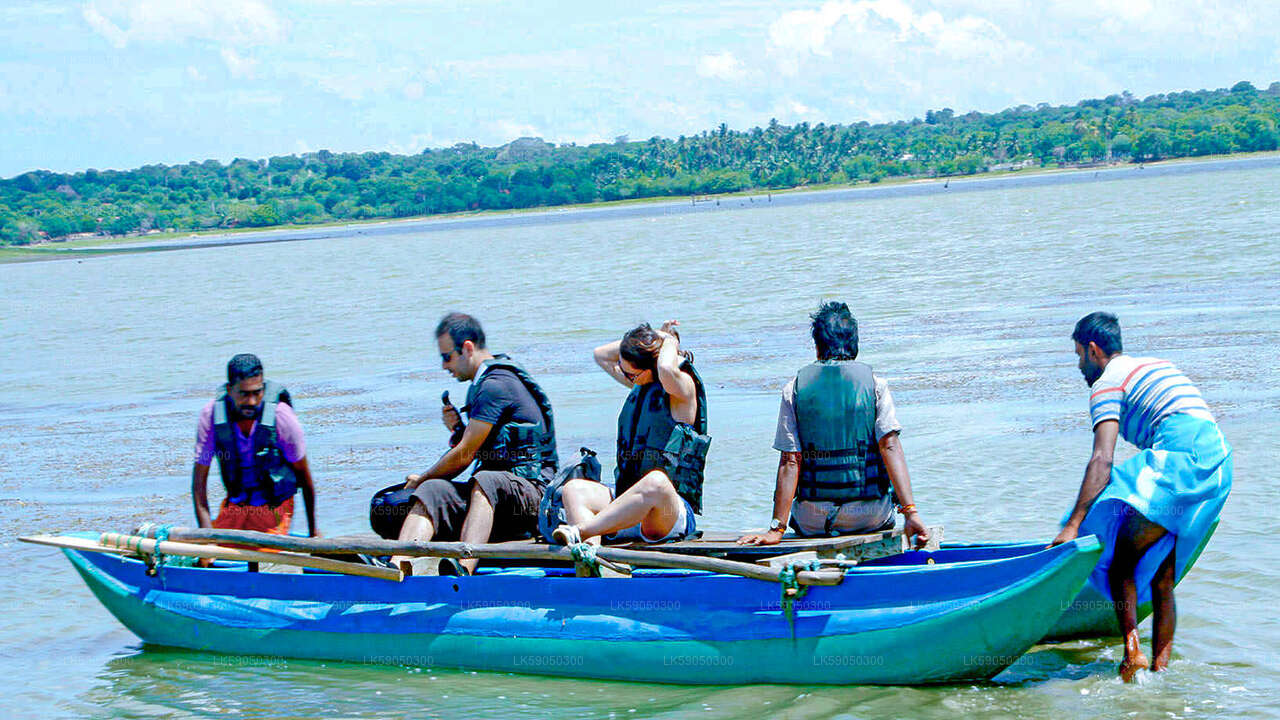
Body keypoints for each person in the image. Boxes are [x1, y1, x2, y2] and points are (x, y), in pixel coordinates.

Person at [1051, 312, 1231, 682]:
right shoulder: (1153, 365)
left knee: (1119, 562)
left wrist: (1072, 525)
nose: (1079, 365)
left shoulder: (1106, 383)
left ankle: (1132, 652)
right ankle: (1161, 670)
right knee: (1161, 576)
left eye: (1078, 355)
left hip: (1181, 461)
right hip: (1218, 465)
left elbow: (1102, 459)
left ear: (1093, 349)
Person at [738, 302, 929, 547]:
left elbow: (790, 461)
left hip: (812, 521)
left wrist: (777, 528)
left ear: (817, 348)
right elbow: (889, 446)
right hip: (869, 517)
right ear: (854, 345)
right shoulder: (875, 385)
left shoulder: (794, 389)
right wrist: (910, 513)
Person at [392, 312, 558, 574]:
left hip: (534, 497)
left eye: (447, 357)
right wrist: (458, 429)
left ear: (467, 348)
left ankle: (464, 567)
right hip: (498, 498)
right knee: (434, 489)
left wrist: (420, 477)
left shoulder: (495, 385)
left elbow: (464, 455)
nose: (445, 366)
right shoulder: (481, 385)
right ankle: (398, 564)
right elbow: (477, 447)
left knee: (486, 480)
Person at [550, 320, 709, 546]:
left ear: (650, 367)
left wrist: (669, 339)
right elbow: (601, 354)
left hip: (667, 513)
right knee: (574, 489)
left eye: (631, 374)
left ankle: (581, 532)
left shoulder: (681, 388)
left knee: (656, 482)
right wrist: (652, 336)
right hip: (629, 508)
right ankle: (590, 557)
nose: (626, 377)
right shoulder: (641, 383)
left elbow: (665, 369)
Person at [192, 353, 318, 537]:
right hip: (237, 504)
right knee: (220, 552)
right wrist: (206, 536)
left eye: (257, 393)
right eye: (243, 394)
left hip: (274, 506)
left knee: (264, 554)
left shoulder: (282, 417)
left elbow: (304, 477)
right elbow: (199, 482)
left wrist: (313, 533)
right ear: (229, 390)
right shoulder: (211, 415)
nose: (251, 402)